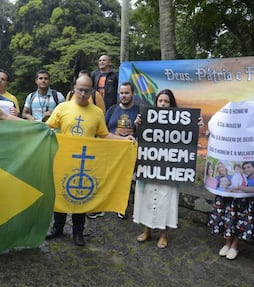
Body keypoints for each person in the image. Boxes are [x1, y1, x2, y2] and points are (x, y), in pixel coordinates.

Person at [44, 75, 134, 246]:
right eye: (80, 90)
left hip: (85, 162)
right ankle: (58, 228)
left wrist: (124, 140)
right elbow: (47, 128)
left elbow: (104, 134)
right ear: (74, 88)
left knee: (81, 196)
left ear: (92, 91)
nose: (83, 94)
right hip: (63, 160)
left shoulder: (97, 113)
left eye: (87, 90)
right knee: (61, 193)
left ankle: (78, 232)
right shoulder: (62, 108)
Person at [133, 89, 204, 249]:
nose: (163, 104)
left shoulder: (179, 121)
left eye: (166, 101)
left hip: (169, 170)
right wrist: (139, 124)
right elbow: (142, 139)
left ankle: (164, 234)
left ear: (171, 104)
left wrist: (195, 125)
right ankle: (147, 230)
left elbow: (187, 140)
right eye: (160, 101)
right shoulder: (147, 118)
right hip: (150, 168)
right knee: (147, 199)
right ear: (156, 103)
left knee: (167, 201)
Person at [101, 81, 140, 219]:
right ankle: (103, 206)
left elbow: (144, 133)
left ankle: (121, 207)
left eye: (127, 93)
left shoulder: (139, 111)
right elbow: (103, 129)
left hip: (129, 154)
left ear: (132, 94)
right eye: (122, 93)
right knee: (108, 179)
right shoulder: (112, 109)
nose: (124, 96)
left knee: (126, 181)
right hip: (112, 152)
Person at [209, 160, 254, 260]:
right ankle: (227, 243)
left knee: (241, 222)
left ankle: (234, 246)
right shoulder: (236, 176)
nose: (246, 169)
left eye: (249, 167)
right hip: (232, 199)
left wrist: (239, 187)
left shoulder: (247, 178)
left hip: (246, 202)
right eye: (245, 167)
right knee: (229, 220)